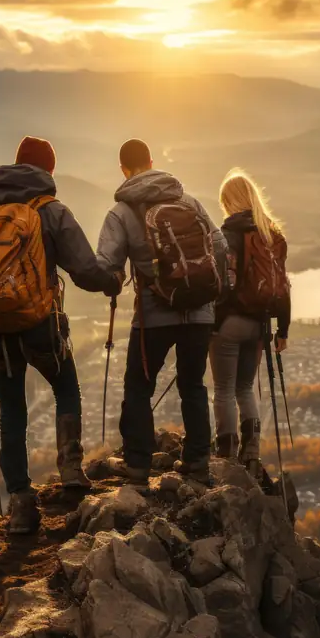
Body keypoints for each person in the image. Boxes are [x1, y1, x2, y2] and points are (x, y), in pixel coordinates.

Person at [0, 135, 122, 533]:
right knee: (65, 389)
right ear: (48, 170)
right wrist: (112, 281)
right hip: (39, 325)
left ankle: (21, 504)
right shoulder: (50, 211)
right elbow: (83, 269)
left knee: (12, 413)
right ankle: (70, 470)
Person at [96, 138, 227, 486]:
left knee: (139, 386)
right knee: (193, 385)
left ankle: (137, 466)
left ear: (124, 169)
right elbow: (220, 245)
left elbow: (106, 265)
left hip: (153, 316)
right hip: (199, 312)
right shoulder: (188, 201)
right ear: (152, 162)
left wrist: (115, 279)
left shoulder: (121, 213)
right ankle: (197, 461)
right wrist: (208, 291)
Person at [210, 168, 291, 468]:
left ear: (229, 202)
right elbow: (282, 287)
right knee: (245, 388)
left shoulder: (227, 235)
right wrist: (282, 329)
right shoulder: (273, 236)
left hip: (228, 324)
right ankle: (252, 451)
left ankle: (227, 454)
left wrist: (212, 321)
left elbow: (220, 284)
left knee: (223, 390)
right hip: (259, 326)